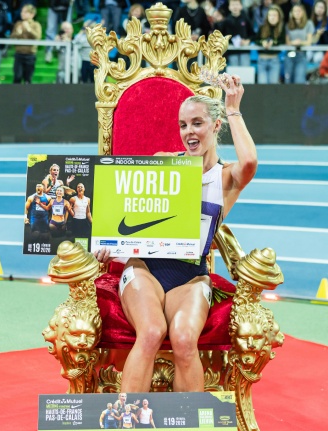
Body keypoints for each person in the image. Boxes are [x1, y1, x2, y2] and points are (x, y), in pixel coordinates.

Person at [94, 73, 257, 393]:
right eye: (183, 125)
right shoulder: (164, 163)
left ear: (216, 126)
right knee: (151, 331)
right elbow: (128, 213)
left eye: (197, 123)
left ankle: (189, 423)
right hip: (145, 269)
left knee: (184, 339)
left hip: (191, 276)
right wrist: (107, 243)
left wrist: (233, 109)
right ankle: (125, 421)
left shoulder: (226, 178)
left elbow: (249, 160)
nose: (188, 132)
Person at [218, 0, 255, 67]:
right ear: (229, 7)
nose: (235, 7)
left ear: (241, 6)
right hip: (232, 51)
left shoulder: (246, 19)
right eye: (233, 5)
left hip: (244, 51)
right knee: (233, 72)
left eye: (237, 4)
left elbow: (253, 34)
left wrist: (247, 41)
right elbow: (221, 36)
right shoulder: (226, 21)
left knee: (245, 71)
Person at [11, 4, 41, 84]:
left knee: (28, 79)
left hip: (30, 55)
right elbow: (12, 37)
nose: (22, 14)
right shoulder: (18, 24)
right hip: (19, 54)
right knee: (17, 77)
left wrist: (29, 29)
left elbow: (37, 37)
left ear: (32, 14)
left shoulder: (36, 25)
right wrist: (17, 33)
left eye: (25, 12)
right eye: (22, 12)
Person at [284, 3, 313, 83]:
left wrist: (300, 42)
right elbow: (287, 42)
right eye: (295, 11)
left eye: (299, 11)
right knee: (288, 80)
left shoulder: (308, 24)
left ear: (303, 12)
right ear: (292, 13)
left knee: (299, 80)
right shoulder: (288, 25)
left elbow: (309, 42)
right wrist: (293, 42)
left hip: (301, 54)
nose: (297, 13)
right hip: (289, 55)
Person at [255, 5, 284, 83]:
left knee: (273, 84)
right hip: (262, 59)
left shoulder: (281, 28)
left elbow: (282, 41)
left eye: (274, 15)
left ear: (279, 17)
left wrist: (273, 43)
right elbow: (256, 39)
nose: (272, 17)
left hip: (274, 59)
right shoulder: (262, 27)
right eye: (270, 15)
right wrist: (262, 42)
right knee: (262, 83)